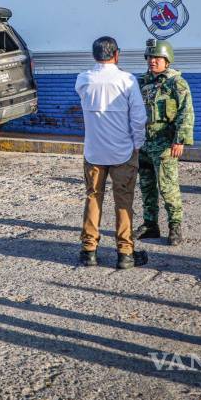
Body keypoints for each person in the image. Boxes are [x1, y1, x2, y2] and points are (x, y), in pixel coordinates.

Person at [75, 36, 148, 270]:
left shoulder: (83, 79)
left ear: (94, 55)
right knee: (123, 200)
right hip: (123, 151)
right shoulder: (127, 80)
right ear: (117, 54)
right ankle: (125, 253)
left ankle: (89, 251)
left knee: (93, 197)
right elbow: (139, 117)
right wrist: (138, 143)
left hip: (94, 151)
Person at [134, 39, 194, 246]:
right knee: (146, 186)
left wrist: (180, 140)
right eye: (150, 57)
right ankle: (150, 225)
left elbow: (186, 112)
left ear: (167, 60)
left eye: (157, 58)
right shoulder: (141, 82)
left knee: (168, 187)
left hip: (165, 144)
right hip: (144, 142)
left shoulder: (176, 83)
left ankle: (175, 226)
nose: (152, 61)